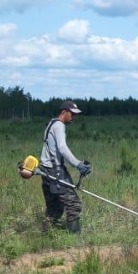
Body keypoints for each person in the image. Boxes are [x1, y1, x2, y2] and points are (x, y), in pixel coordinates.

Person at [40, 100, 91, 233]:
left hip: (46, 170)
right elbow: (62, 148)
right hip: (55, 171)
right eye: (72, 114)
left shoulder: (51, 123)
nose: (73, 117)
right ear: (64, 112)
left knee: (55, 208)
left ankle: (46, 235)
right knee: (74, 204)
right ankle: (75, 240)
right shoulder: (59, 126)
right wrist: (78, 164)